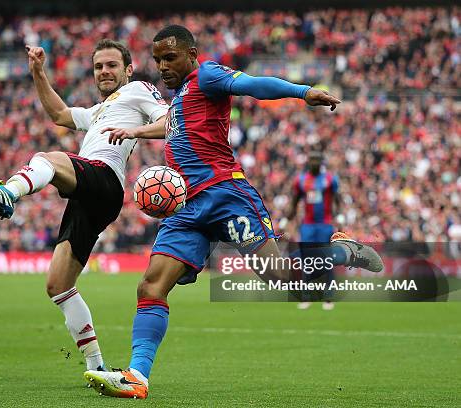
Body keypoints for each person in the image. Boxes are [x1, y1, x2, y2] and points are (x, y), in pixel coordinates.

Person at [84, 25, 383, 399]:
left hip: (225, 193)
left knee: (280, 276)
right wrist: (136, 132)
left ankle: (343, 250)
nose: (162, 65)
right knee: (151, 286)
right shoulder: (178, 99)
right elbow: (172, 126)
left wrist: (302, 92)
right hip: (185, 206)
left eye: (170, 57)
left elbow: (255, 84)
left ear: (191, 55)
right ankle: (137, 377)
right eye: (158, 59)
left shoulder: (207, 75)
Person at [0, 39, 169, 372]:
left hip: (105, 178)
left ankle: (9, 193)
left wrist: (134, 130)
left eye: (112, 65)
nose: (104, 71)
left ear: (128, 69)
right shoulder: (98, 110)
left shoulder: (140, 90)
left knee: (49, 158)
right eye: (98, 67)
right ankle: (97, 366)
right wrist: (38, 72)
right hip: (89, 196)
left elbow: (168, 122)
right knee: (58, 285)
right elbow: (60, 114)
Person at [286, 150, 341, 310]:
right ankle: (306, 296)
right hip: (308, 226)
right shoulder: (301, 180)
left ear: (321, 162)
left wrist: (339, 217)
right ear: (308, 162)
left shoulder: (330, 179)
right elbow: (295, 201)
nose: (315, 162)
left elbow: (336, 200)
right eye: (312, 159)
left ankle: (328, 297)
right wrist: (287, 218)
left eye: (317, 159)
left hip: (325, 224)